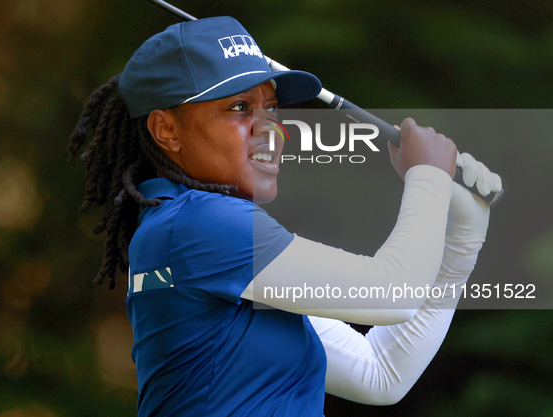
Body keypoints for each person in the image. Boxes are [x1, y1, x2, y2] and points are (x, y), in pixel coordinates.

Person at [68, 16, 501, 417]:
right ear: (167, 131)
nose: (270, 129)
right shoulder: (201, 226)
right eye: (239, 108)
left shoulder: (191, 235)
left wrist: (460, 240)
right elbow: (394, 292)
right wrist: (428, 176)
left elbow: (381, 373)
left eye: (271, 107)